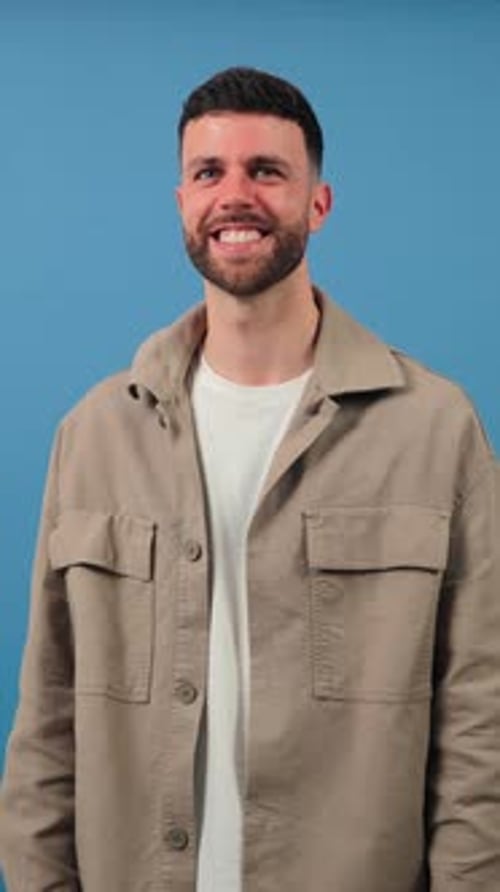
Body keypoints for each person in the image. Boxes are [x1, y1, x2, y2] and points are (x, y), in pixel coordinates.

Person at [0, 66, 498, 892]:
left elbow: (481, 719)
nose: (236, 196)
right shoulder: (93, 435)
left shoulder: (435, 430)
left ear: (318, 203)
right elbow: (47, 714)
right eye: (209, 173)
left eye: (267, 171)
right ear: (182, 204)